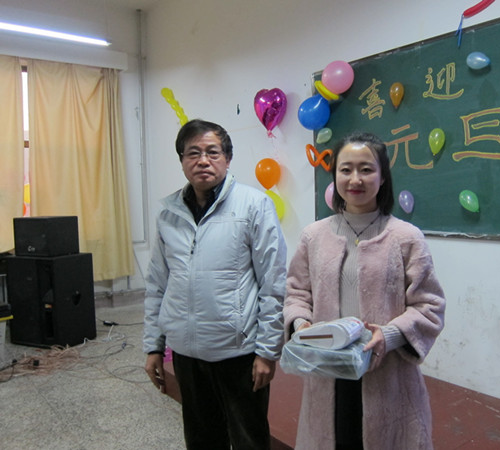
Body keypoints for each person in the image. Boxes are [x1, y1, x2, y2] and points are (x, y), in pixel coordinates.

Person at [283, 131, 446, 450]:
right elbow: (297, 293)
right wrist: (301, 324)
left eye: (366, 169)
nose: (355, 179)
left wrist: (389, 335)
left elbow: (429, 306)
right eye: (345, 169)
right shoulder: (313, 236)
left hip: (387, 375)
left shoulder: (405, 237)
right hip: (327, 371)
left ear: (382, 177)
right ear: (334, 176)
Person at [143, 119, 287, 449]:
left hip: (239, 352)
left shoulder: (254, 205)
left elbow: (274, 283)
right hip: (187, 353)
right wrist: (154, 346)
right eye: (193, 153)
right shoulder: (168, 214)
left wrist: (267, 352)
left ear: (228, 158)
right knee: (202, 440)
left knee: (249, 439)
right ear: (182, 160)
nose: (203, 161)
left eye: (212, 152)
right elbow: (157, 285)